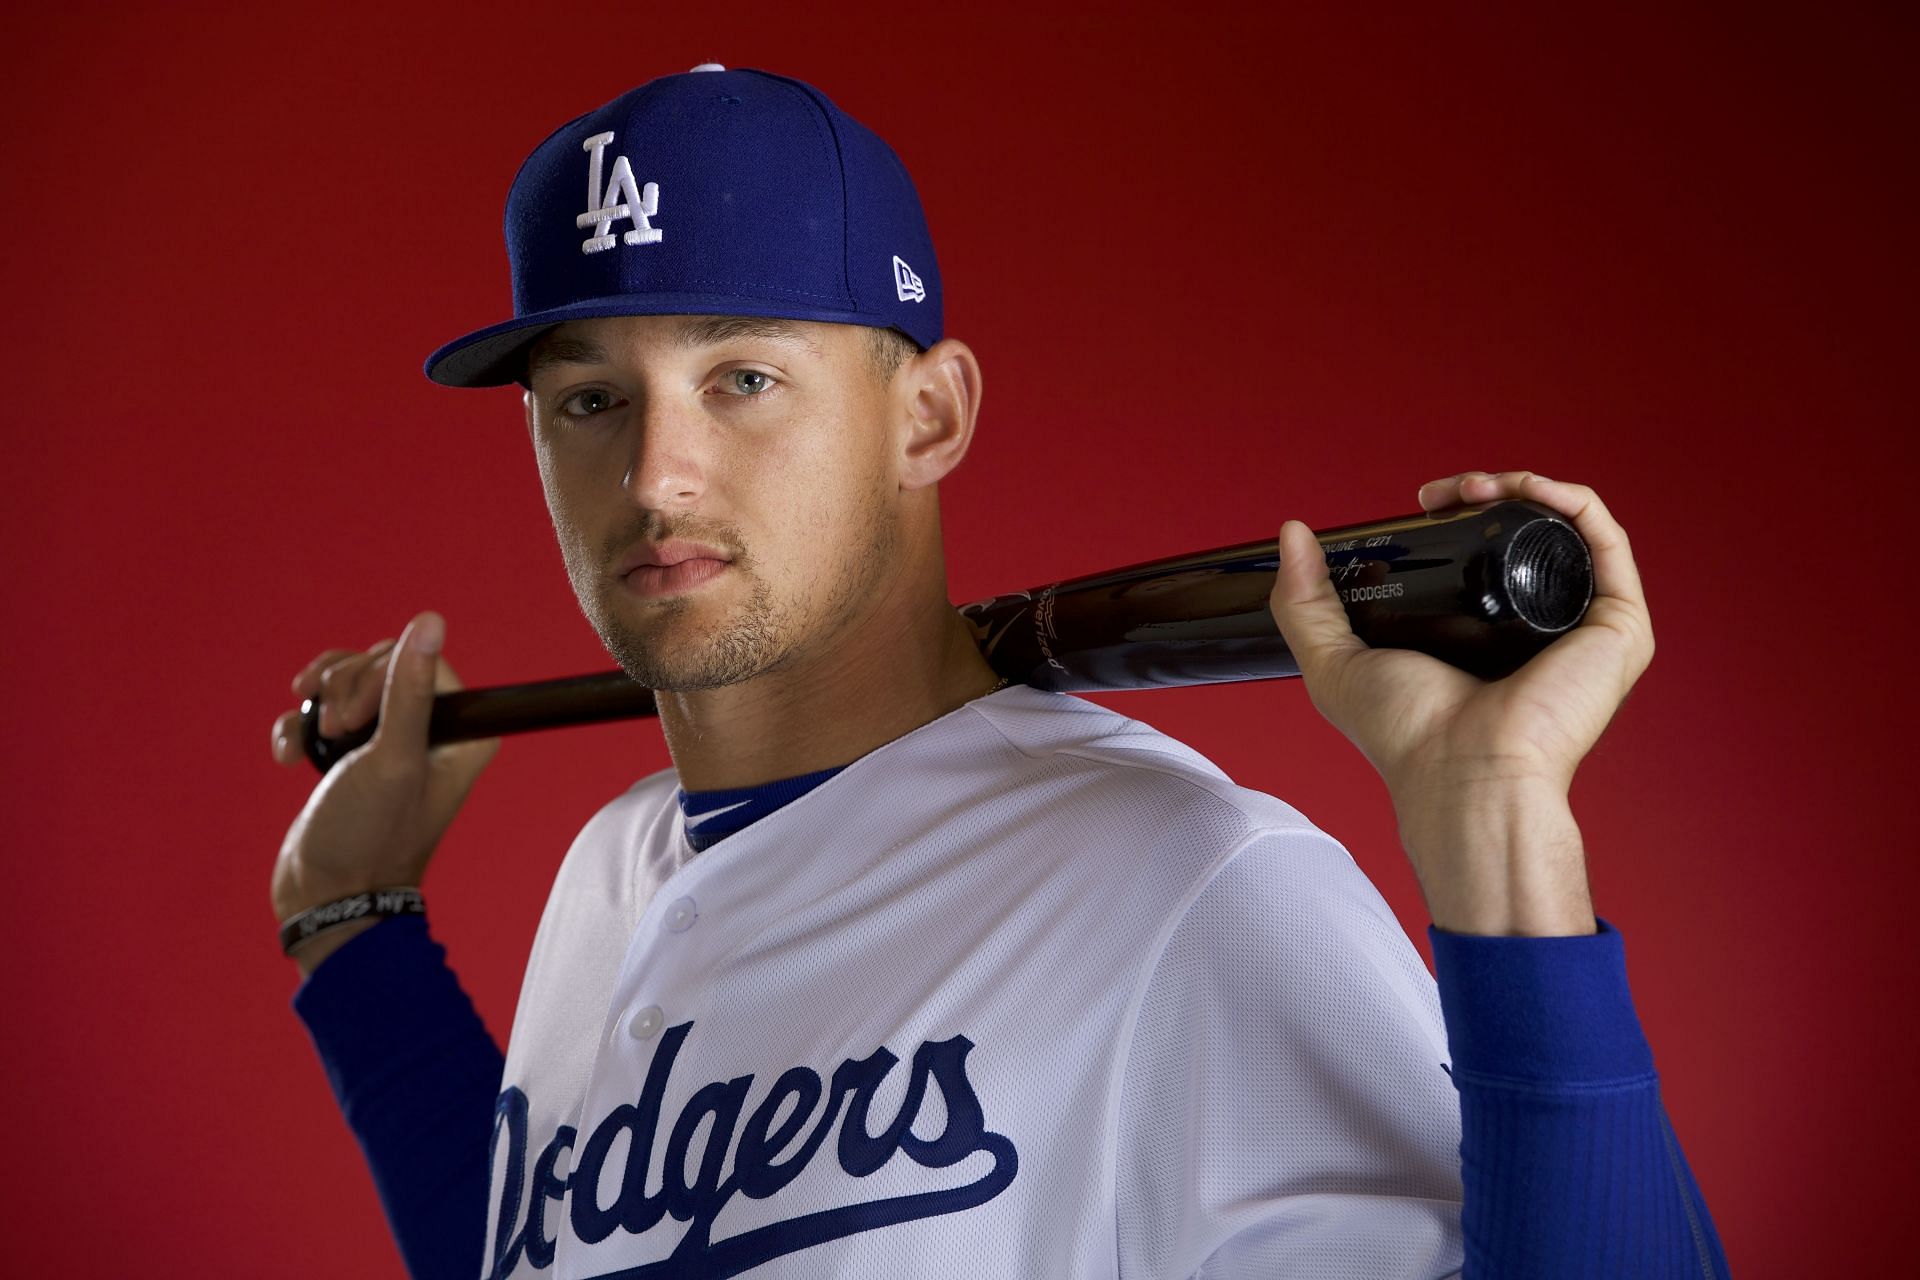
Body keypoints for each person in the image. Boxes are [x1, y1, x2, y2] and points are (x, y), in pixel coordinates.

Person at [269, 66, 1727, 1279]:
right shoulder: (606, 873)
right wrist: (353, 928)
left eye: (744, 379)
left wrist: (1501, 827)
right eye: (591, 399)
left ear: (929, 415)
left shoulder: (1188, 886)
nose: (658, 475)